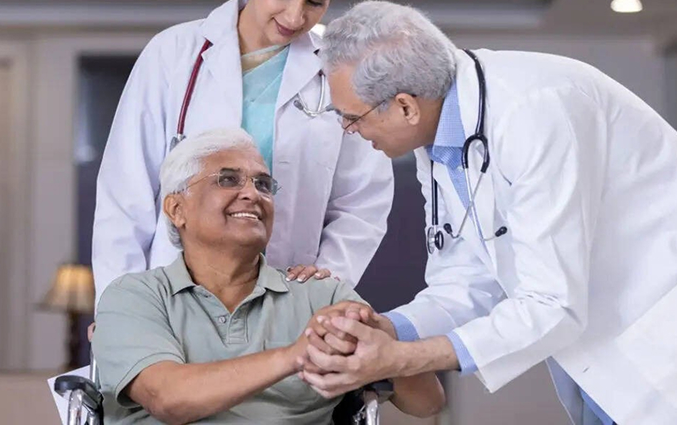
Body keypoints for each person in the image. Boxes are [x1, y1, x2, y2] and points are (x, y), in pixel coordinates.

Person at [297, 0, 677, 424]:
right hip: (603, 358)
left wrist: (400, 359)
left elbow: (551, 304)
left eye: (352, 118)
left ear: (405, 106)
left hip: (658, 347)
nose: (350, 131)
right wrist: (386, 329)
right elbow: (467, 281)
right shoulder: (442, 138)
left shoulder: (536, 112)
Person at [91, 0, 393, 300]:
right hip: (173, 295)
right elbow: (125, 192)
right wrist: (117, 305)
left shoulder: (338, 72)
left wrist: (328, 273)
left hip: (287, 293)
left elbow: (363, 199)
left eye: (316, 2)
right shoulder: (174, 55)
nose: (295, 15)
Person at [92, 128, 444, 424]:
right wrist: (295, 355)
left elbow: (427, 403)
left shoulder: (320, 295)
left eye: (263, 184)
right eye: (227, 179)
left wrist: (384, 336)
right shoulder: (133, 297)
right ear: (177, 209)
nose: (251, 194)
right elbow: (168, 398)